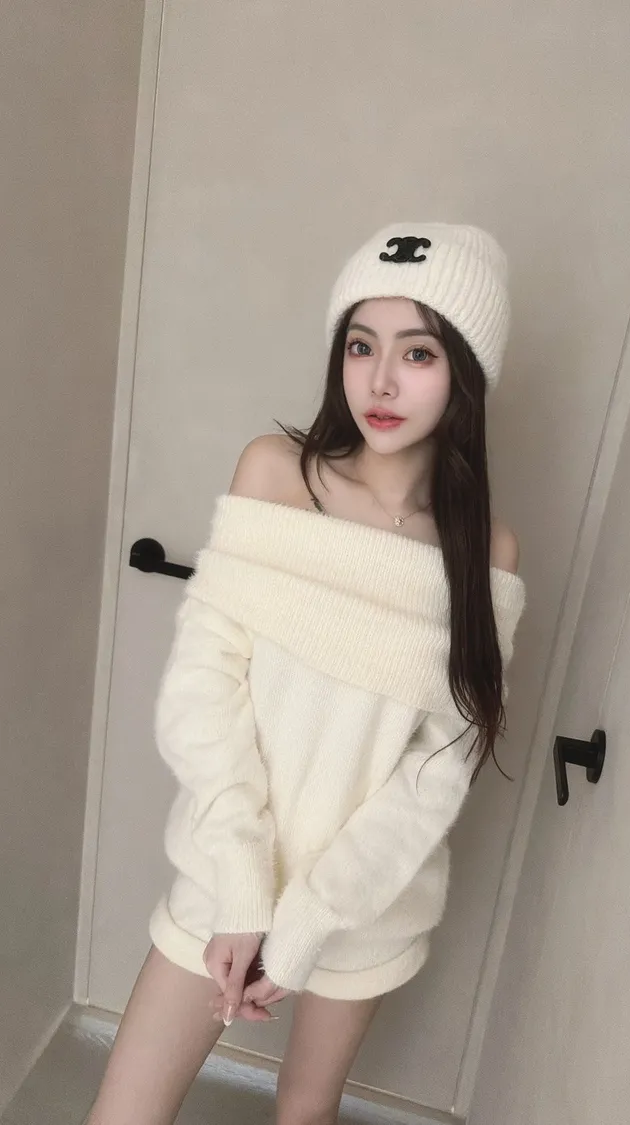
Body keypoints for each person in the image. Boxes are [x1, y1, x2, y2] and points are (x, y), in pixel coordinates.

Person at [85, 222, 527, 1125]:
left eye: (419, 353)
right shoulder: (275, 473)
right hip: (227, 869)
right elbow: (203, 687)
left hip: (364, 903)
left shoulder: (486, 551)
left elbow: (437, 769)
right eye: (361, 346)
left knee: (304, 1114)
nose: (381, 381)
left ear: (466, 372)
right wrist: (245, 887)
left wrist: (312, 918)